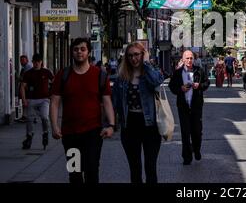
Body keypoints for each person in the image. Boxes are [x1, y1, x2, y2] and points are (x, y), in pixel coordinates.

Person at [50, 38, 115, 183]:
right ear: (72, 52)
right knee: (75, 173)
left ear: (89, 52)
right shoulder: (63, 75)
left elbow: (107, 102)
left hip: (93, 133)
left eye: (83, 49)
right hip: (70, 134)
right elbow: (54, 102)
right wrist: (54, 126)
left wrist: (111, 125)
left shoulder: (100, 75)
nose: (79, 52)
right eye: (76, 49)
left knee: (92, 172)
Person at [112, 42, 165, 184]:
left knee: (150, 168)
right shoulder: (122, 77)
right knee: (135, 170)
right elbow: (115, 103)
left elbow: (156, 81)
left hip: (150, 126)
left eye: (136, 54)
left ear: (143, 55)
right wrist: (111, 124)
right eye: (130, 55)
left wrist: (146, 63)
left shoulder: (150, 72)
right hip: (130, 126)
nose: (133, 58)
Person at [169, 50, 210, 165]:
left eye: (191, 58)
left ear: (194, 59)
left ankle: (196, 150)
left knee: (197, 131)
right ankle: (186, 157)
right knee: (185, 132)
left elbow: (207, 83)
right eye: (187, 58)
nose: (189, 60)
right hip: (183, 106)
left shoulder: (199, 70)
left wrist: (199, 86)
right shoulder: (178, 73)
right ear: (182, 59)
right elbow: (172, 86)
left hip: (196, 106)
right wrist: (180, 89)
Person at [20, 54, 54, 150]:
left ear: (41, 62)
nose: (36, 64)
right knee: (29, 119)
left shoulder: (46, 72)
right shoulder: (28, 73)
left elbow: (55, 82)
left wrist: (52, 94)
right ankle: (29, 136)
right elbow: (23, 87)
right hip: (31, 99)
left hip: (44, 99)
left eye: (38, 62)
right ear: (32, 62)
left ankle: (45, 132)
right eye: (34, 62)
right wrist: (24, 100)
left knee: (44, 117)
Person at [15, 55, 32, 123]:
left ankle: (27, 117)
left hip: (26, 88)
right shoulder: (25, 67)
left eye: (23, 60)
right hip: (26, 88)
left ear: (27, 60)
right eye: (20, 60)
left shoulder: (27, 68)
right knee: (25, 102)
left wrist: (17, 77)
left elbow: (25, 79)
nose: (21, 62)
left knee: (26, 102)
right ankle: (25, 116)